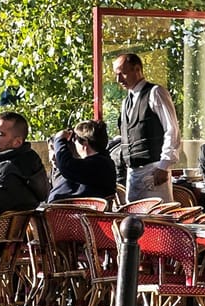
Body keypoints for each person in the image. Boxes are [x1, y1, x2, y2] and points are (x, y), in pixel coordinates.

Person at [112, 51, 181, 203]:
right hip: (132, 172)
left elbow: (172, 129)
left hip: (154, 169)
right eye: (116, 75)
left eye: (122, 73)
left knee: (158, 220)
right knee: (134, 221)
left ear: (137, 69)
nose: (118, 79)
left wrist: (163, 166)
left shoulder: (155, 93)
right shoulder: (126, 102)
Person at [50, 119, 117, 201]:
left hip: (71, 212)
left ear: (85, 143)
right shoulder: (102, 162)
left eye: (75, 140)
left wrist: (59, 140)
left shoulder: (99, 165)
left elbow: (66, 166)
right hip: (74, 210)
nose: (73, 143)